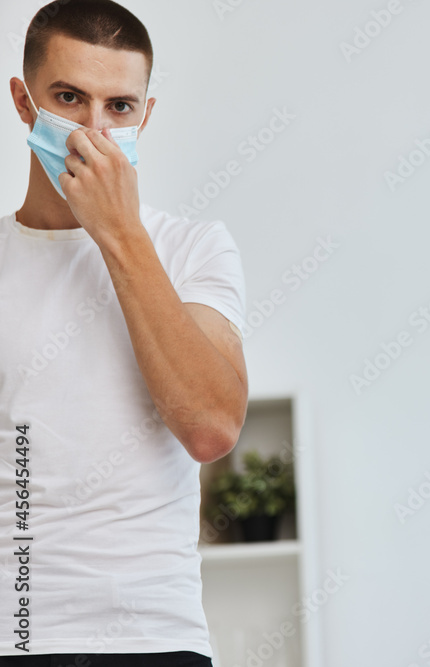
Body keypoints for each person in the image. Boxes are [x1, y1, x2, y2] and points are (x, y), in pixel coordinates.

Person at [0, 1, 248, 664]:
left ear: (146, 114)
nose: (93, 131)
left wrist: (118, 232)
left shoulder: (195, 248)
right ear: (24, 103)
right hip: (17, 634)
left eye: (119, 107)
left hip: (156, 639)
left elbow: (211, 426)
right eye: (70, 98)